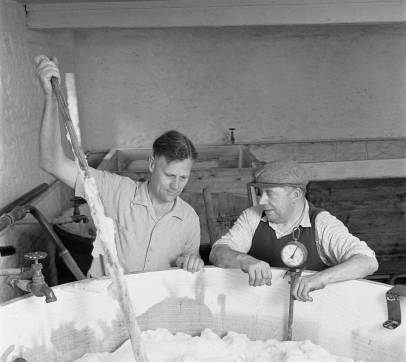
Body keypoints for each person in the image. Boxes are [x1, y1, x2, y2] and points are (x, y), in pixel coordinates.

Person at [34, 55, 204, 277]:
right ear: (152, 164)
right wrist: (50, 97)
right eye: (170, 175)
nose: (176, 186)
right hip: (112, 301)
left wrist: (193, 262)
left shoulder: (189, 219)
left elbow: (193, 263)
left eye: (183, 178)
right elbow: (51, 162)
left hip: (157, 307)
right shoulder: (116, 191)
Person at [210, 159, 378, 301]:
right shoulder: (252, 216)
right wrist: (244, 260)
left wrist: (320, 279)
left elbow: (367, 262)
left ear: (296, 195)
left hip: (311, 315)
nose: (262, 201)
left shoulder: (322, 223)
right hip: (258, 310)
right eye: (261, 193)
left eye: (270, 193)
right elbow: (217, 253)